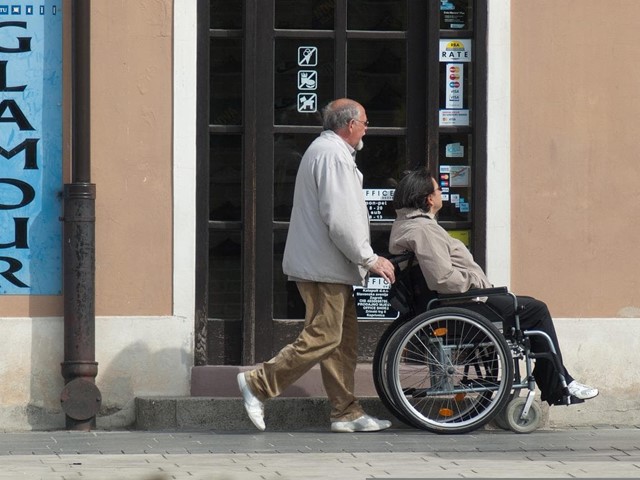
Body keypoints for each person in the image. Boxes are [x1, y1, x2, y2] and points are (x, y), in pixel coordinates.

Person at [237, 98, 397, 432]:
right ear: (349, 124)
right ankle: (258, 383)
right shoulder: (332, 155)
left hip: (328, 265)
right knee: (325, 336)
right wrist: (369, 258)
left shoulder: (329, 152)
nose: (367, 128)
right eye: (365, 122)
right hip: (324, 267)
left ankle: (346, 412)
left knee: (342, 341)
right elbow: (340, 219)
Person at [388, 167, 598, 406]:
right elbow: (442, 279)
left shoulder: (408, 225)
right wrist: (477, 283)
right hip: (460, 304)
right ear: (428, 199)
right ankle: (558, 382)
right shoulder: (424, 230)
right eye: (438, 189)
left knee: (525, 305)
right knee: (536, 310)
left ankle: (558, 379)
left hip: (453, 303)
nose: (441, 194)